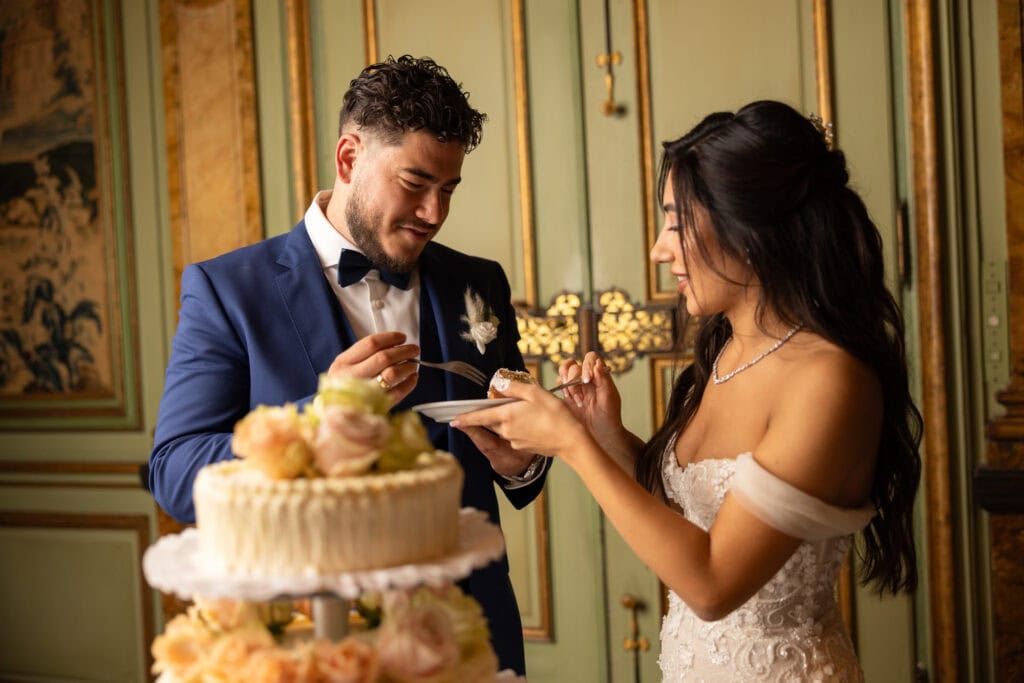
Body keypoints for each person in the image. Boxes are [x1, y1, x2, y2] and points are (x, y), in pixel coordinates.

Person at [454, 100, 923, 681]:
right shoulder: (727, 348)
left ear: (748, 227)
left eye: (676, 222)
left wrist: (573, 447)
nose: (658, 248)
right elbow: (695, 517)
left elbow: (712, 583)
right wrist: (606, 437)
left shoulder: (830, 381)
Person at [148, 55, 548, 675]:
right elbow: (174, 472)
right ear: (348, 158)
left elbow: (514, 460)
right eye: (415, 184)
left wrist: (524, 461)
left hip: (470, 633)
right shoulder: (229, 291)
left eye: (448, 190)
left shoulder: (479, 281)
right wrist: (319, 419)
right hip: (310, 640)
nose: (435, 214)